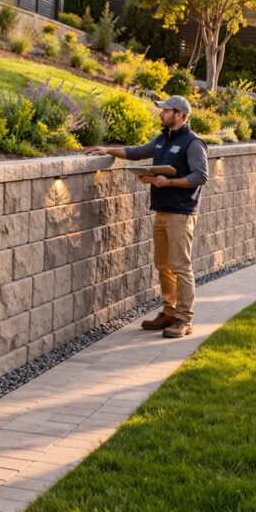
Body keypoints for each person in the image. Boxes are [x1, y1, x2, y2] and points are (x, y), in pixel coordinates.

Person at [85, 95, 209, 338]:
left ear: (181, 115)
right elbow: (138, 152)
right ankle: (169, 313)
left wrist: (168, 182)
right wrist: (107, 150)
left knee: (181, 267)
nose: (161, 114)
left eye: (166, 111)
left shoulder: (193, 143)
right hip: (162, 210)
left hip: (181, 213)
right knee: (163, 266)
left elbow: (200, 176)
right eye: (162, 110)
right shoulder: (164, 139)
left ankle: (184, 320)